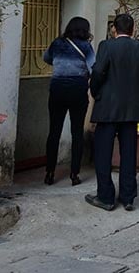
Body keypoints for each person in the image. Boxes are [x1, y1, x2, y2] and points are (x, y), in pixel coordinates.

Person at [87, 13, 139, 212]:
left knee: (103, 152)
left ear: (114, 29)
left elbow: (98, 71)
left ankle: (106, 197)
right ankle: (128, 197)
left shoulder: (106, 46)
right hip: (132, 108)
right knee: (129, 153)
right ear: (132, 29)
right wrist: (137, 91)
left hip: (108, 107)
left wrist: (96, 92)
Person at [43, 17, 95, 187]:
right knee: (77, 133)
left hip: (57, 90)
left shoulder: (57, 43)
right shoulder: (86, 46)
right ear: (84, 30)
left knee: (54, 132)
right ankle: (74, 174)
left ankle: (49, 173)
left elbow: (47, 58)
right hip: (77, 91)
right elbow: (92, 67)